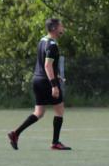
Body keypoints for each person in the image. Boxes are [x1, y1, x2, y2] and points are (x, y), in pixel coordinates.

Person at [7, 18, 72, 150]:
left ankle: (15, 133)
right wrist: (54, 85)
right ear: (54, 28)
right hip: (47, 82)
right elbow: (47, 65)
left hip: (37, 79)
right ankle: (55, 142)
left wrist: (56, 75)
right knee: (59, 110)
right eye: (61, 26)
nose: (62, 28)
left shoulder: (42, 41)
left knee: (39, 112)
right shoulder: (52, 45)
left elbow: (44, 64)